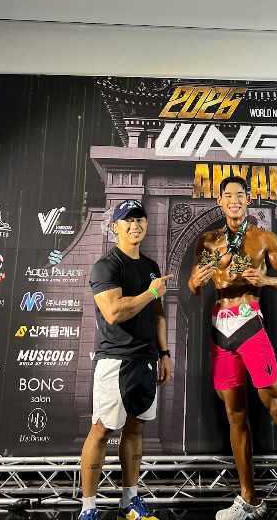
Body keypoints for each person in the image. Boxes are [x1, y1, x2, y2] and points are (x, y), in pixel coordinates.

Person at [189, 176, 277, 520]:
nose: (234, 200)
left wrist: (265, 279)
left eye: (240, 195)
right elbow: (194, 284)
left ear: (248, 200)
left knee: (276, 406)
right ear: (220, 201)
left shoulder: (264, 239)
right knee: (235, 415)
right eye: (228, 195)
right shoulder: (207, 240)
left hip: (249, 322)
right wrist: (194, 282)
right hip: (220, 329)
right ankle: (249, 499)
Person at [78, 199, 173, 520]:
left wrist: (164, 353)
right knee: (102, 430)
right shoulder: (107, 266)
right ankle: (88, 509)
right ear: (115, 226)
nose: (135, 225)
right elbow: (114, 312)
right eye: (128, 220)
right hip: (116, 360)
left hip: (146, 359)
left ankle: (129, 501)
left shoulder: (151, 266)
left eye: (140, 219)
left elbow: (158, 315)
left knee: (135, 429)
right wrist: (151, 292)